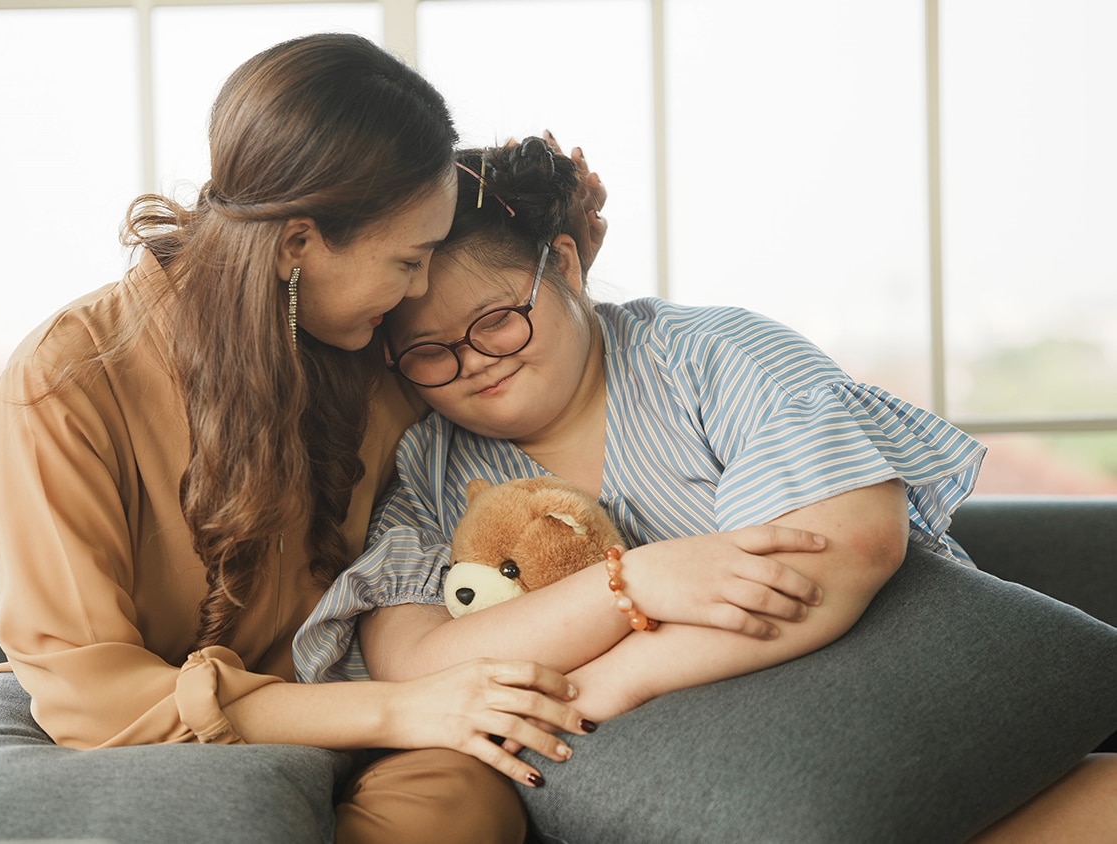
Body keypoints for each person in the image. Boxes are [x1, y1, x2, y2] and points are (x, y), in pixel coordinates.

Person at [0, 33, 658, 844]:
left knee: (459, 804)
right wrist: (404, 707)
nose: (419, 296)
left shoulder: (378, 354)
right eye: (407, 262)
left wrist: (558, 262)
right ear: (295, 242)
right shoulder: (65, 380)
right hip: (127, 727)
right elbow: (86, 694)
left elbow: (522, 392)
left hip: (333, 725)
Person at [294, 136, 1117, 841]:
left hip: (879, 689)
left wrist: (619, 674)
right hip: (699, 776)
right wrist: (634, 585)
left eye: (498, 319)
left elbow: (845, 545)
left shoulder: (710, 356)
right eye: (431, 353)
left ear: (567, 267)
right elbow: (417, 664)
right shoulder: (434, 467)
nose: (475, 361)